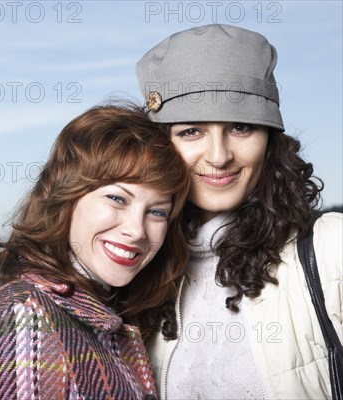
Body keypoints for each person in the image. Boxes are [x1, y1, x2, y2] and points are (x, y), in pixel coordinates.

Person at [135, 24, 343, 399]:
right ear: (160, 145)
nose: (218, 156)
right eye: (191, 132)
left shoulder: (331, 249)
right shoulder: (140, 268)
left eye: (241, 127)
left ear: (269, 139)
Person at [0, 103, 190, 400]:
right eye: (117, 198)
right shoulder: (26, 317)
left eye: (157, 212)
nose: (137, 230)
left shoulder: (108, 307)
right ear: (67, 197)